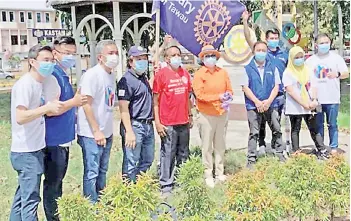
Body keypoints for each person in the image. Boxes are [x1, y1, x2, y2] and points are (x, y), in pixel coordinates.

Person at [9, 44, 63, 221]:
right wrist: (45, 107)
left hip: (34, 149)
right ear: (32, 62)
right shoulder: (25, 85)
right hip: (26, 152)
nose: (50, 64)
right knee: (31, 200)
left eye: (52, 60)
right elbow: (20, 116)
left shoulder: (40, 83)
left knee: (22, 198)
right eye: (45, 60)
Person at [42, 36, 88, 221]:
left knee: (57, 183)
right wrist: (74, 102)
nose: (70, 57)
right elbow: (51, 110)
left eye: (73, 54)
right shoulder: (53, 76)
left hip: (62, 138)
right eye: (66, 53)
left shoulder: (63, 73)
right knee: (53, 185)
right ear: (55, 53)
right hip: (53, 140)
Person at [77, 40, 119, 203]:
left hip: (106, 132)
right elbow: (86, 104)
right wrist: (96, 130)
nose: (114, 56)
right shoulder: (92, 75)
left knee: (102, 169)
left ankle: (101, 200)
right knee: (92, 171)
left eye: (116, 53)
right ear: (100, 57)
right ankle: (91, 206)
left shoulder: (111, 74)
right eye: (110, 53)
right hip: (91, 133)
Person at [242, 10, 290, 154]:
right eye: (271, 38)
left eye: (276, 37)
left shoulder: (283, 54)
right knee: (259, 123)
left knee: (276, 123)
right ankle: (261, 144)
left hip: (279, 93)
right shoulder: (262, 51)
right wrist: (244, 21)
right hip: (263, 93)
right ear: (266, 39)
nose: (274, 40)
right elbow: (248, 39)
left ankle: (277, 148)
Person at [153, 45, 193, 194]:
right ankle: (166, 184)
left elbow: (188, 97)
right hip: (167, 122)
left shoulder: (185, 74)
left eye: (178, 54)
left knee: (183, 153)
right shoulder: (161, 75)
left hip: (183, 121)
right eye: (173, 55)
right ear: (167, 58)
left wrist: (190, 115)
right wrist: (157, 122)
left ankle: (182, 179)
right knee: (167, 153)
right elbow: (155, 101)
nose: (177, 57)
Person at [192, 45, 233, 188]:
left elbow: (229, 89)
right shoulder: (199, 74)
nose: (210, 58)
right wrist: (218, 97)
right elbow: (200, 95)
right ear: (202, 58)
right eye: (207, 56)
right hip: (206, 114)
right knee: (207, 145)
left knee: (220, 144)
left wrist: (228, 97)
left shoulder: (222, 72)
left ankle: (220, 172)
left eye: (212, 55)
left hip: (222, 113)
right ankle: (208, 173)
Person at [241, 41, 285, 168]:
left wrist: (269, 101)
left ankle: (279, 153)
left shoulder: (272, 67)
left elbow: (276, 86)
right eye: (258, 50)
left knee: (276, 129)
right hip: (253, 106)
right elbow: (245, 87)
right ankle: (251, 159)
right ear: (253, 52)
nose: (261, 53)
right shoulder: (247, 69)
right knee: (254, 132)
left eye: (263, 50)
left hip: (270, 104)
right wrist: (257, 102)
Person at [306, 33, 349, 153]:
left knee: (332, 124)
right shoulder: (310, 61)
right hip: (317, 99)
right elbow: (305, 79)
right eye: (321, 43)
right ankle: (321, 147)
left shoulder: (336, 58)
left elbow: (346, 73)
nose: (324, 45)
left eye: (326, 42)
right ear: (316, 45)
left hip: (332, 97)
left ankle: (333, 147)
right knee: (318, 125)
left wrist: (337, 74)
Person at [283, 46, 329, 159]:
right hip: (295, 106)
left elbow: (314, 86)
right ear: (291, 58)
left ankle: (321, 150)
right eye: (296, 57)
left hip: (310, 105)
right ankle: (296, 152)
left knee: (314, 128)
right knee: (295, 129)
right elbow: (290, 91)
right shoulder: (288, 72)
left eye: (301, 57)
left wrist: (313, 100)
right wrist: (304, 104)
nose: (299, 59)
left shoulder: (308, 70)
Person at [117, 45, 154, 183]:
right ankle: (128, 191)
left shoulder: (142, 77)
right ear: (131, 61)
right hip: (135, 125)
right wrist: (129, 131)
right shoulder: (125, 81)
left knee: (148, 159)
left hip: (148, 125)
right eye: (139, 59)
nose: (143, 61)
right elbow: (123, 109)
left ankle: (139, 186)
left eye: (144, 58)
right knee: (131, 162)